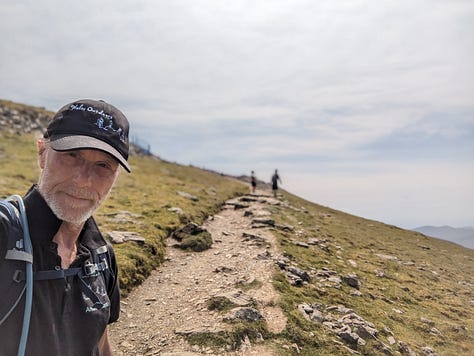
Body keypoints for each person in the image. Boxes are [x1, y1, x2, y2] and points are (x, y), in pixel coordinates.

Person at [0, 99, 131, 356]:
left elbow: (101, 343)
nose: (83, 180)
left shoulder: (102, 255)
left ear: (115, 176)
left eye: (103, 165)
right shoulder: (5, 233)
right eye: (71, 155)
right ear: (42, 153)